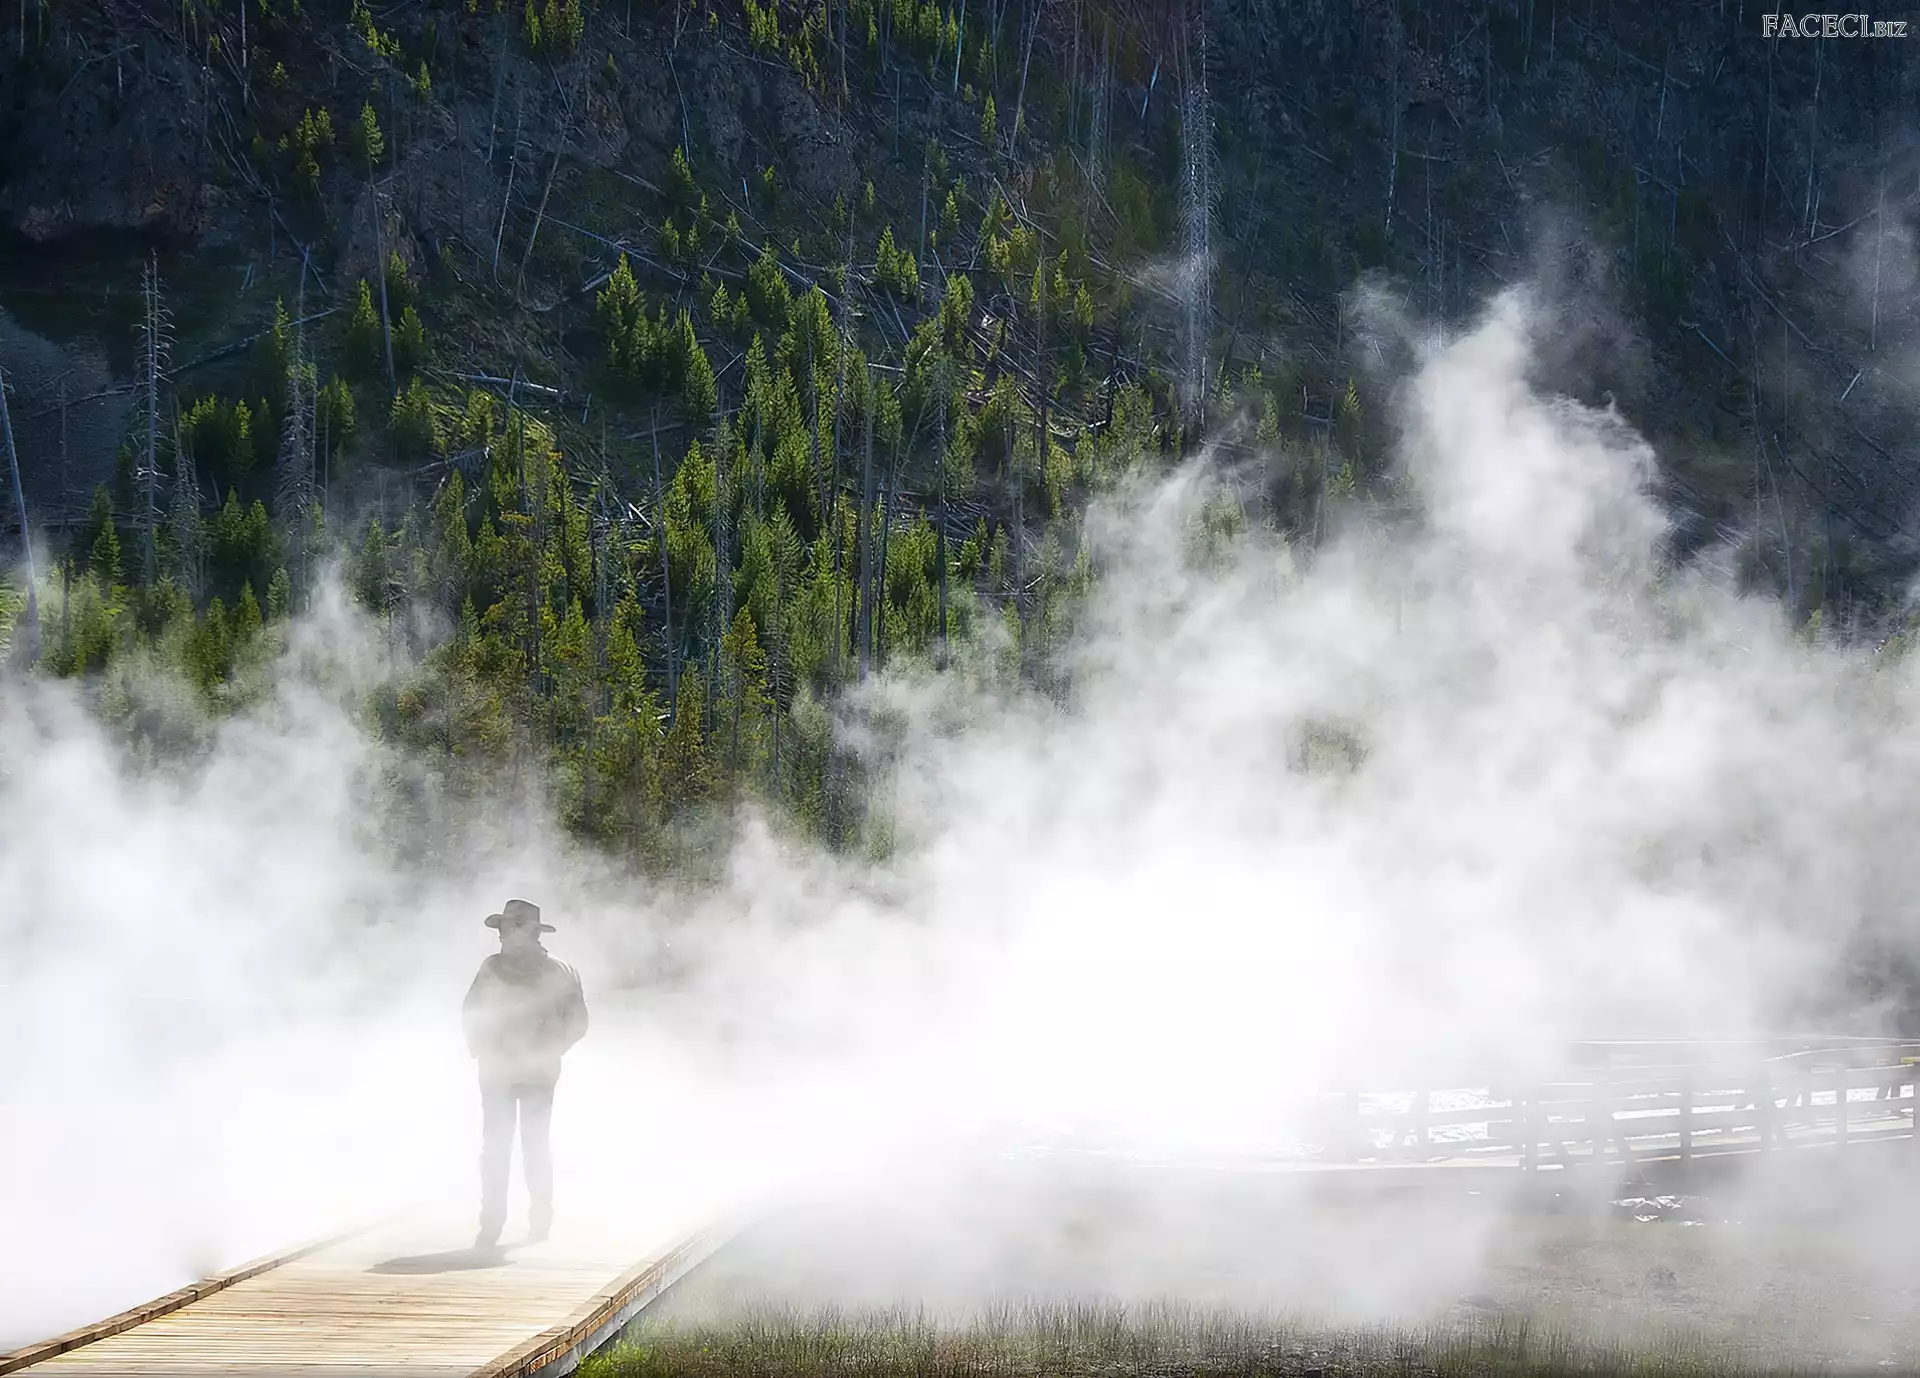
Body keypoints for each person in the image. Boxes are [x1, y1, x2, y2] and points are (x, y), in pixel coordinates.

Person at [461, 898, 589, 1249]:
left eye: (507, 927)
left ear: (526, 931)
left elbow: (578, 1022)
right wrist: (480, 1044)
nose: (502, 935)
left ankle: (530, 1219)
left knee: (527, 1144)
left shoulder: (557, 972)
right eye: (503, 928)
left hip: (528, 1071)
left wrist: (549, 1049)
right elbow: (472, 1012)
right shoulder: (494, 968)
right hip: (505, 1071)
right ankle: (496, 1222)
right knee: (501, 1146)